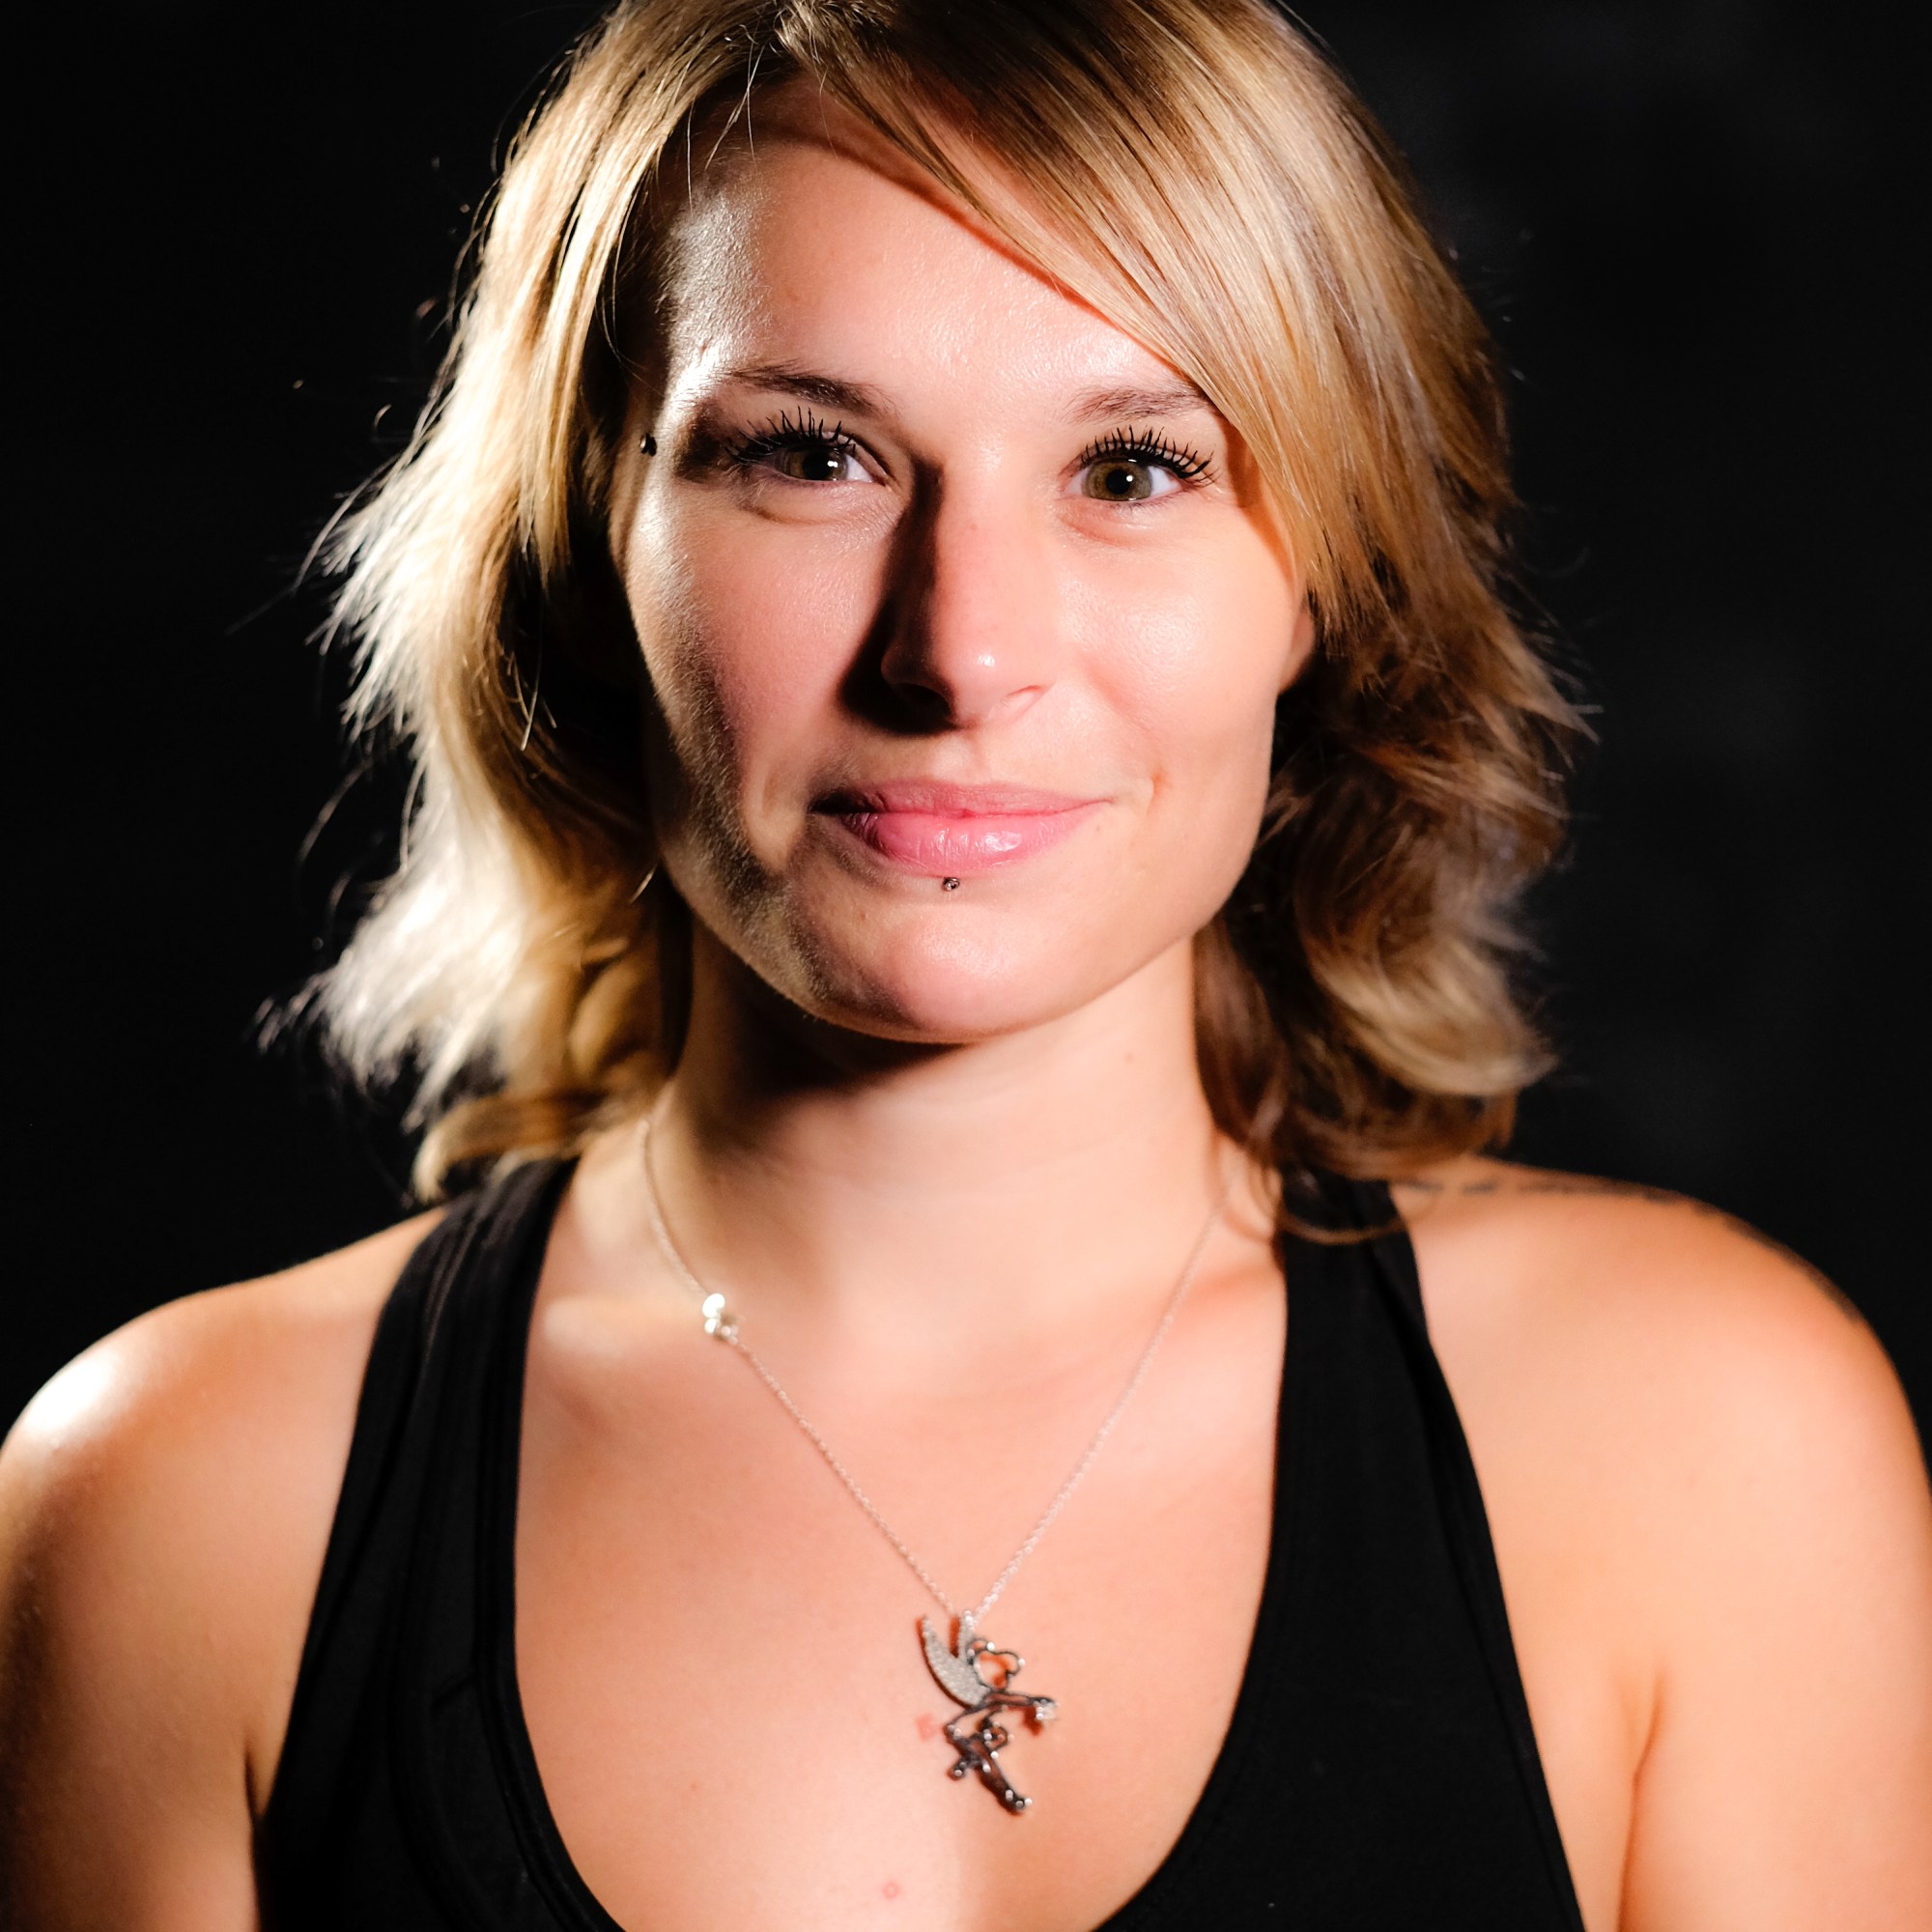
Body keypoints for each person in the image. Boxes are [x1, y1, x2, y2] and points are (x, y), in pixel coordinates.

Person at [3, 0, 1929, 1924]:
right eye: (811, 455)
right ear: (591, 543)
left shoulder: (1703, 1451)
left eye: (1135, 470)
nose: (961, 651)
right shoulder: (176, 1510)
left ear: (1324, 583)